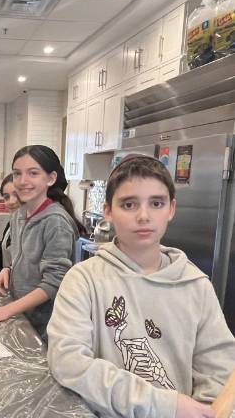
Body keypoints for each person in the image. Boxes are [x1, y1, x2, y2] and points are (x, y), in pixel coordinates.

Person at [47, 155, 235, 418]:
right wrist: (164, 405)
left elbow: (220, 371)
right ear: (108, 212)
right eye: (129, 204)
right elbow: (68, 361)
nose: (144, 216)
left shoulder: (196, 286)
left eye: (156, 203)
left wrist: (205, 410)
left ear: (171, 209)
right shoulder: (84, 280)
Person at [0, 146, 85, 341]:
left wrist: (6, 310)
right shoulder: (19, 217)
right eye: (17, 173)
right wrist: (9, 270)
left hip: (45, 326)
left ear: (50, 178)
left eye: (33, 173)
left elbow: (53, 283)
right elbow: (20, 259)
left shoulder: (56, 222)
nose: (23, 181)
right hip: (22, 314)